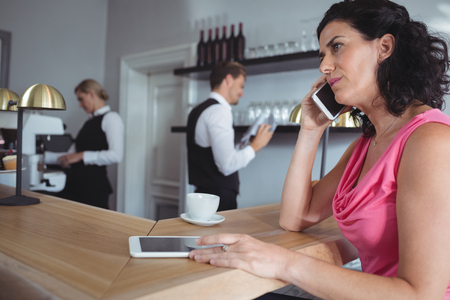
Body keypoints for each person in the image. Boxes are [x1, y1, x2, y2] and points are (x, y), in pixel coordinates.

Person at [188, 0, 450, 299]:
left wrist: (283, 262)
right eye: (322, 54)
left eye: (336, 46)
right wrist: (310, 130)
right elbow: (295, 217)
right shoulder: (365, 145)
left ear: (384, 47)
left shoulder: (430, 141)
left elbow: (421, 295)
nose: (324, 66)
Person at [187, 61, 274, 211]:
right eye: (241, 86)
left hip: (202, 197)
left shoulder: (197, 110)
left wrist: (244, 145)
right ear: (228, 80)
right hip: (218, 199)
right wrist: (255, 146)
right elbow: (226, 166)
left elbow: (210, 152)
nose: (242, 93)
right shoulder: (219, 111)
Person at [45, 79, 124, 209]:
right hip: (75, 186)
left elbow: (116, 155)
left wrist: (82, 155)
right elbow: (71, 155)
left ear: (92, 94)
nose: (80, 105)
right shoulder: (86, 123)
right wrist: (40, 157)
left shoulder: (112, 118)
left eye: (81, 99)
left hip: (94, 190)